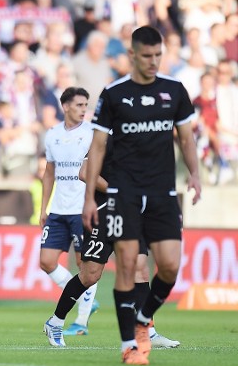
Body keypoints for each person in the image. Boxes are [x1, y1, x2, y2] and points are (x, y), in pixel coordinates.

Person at [82, 26, 201, 365]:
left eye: (157, 55)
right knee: (128, 266)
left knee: (170, 266)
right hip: (124, 193)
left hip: (162, 192)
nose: (153, 62)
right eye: (146, 56)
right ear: (132, 55)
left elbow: (186, 138)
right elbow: (99, 146)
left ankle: (143, 318)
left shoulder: (174, 91)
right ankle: (129, 346)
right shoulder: (114, 94)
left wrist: (194, 174)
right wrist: (90, 197)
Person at [44, 144, 180, 349]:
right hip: (103, 214)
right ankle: (55, 322)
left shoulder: (137, 139)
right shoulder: (105, 138)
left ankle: (148, 332)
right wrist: (117, 191)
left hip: (130, 215)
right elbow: (84, 173)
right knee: (90, 275)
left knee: (141, 269)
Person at [39, 87, 98, 337]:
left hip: (82, 208)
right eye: (79, 105)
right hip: (58, 210)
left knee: (84, 265)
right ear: (65, 107)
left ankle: (81, 322)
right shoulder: (52, 135)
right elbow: (49, 172)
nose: (83, 109)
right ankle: (85, 299)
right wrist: (43, 208)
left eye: (86, 105)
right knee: (46, 261)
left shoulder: (92, 134)